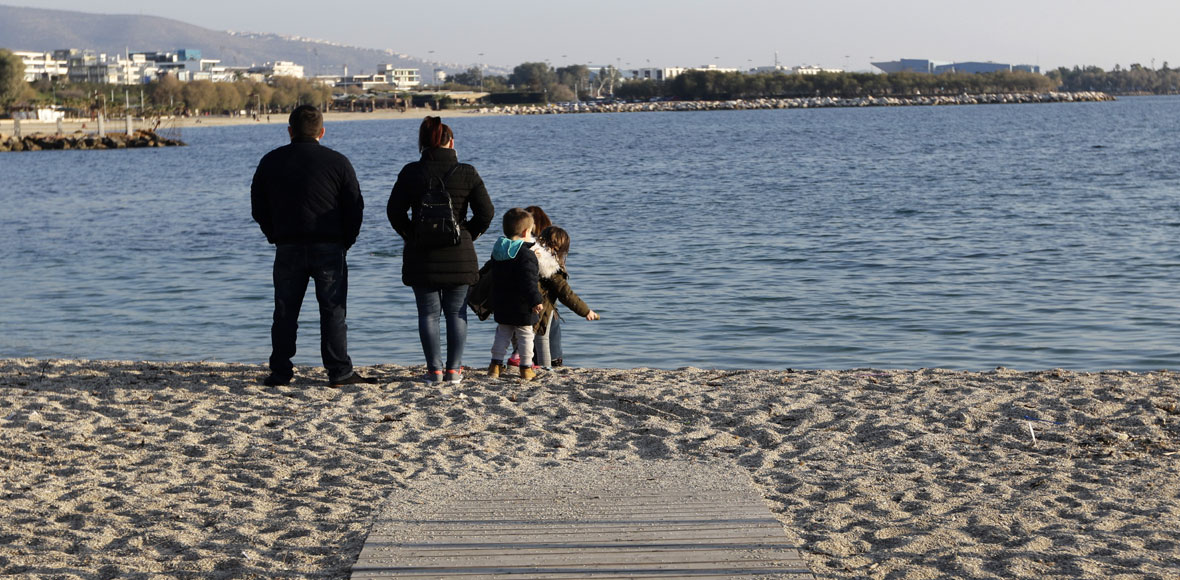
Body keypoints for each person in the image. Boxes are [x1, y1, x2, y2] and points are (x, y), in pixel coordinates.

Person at [250, 105, 372, 388]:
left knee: (284, 311)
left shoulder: (271, 161)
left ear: (290, 131)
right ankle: (339, 371)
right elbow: (355, 207)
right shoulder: (338, 162)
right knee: (333, 310)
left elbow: (258, 206)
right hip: (329, 245)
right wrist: (346, 241)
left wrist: (274, 234)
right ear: (322, 132)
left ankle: (281, 372)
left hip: (288, 245)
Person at [388, 117, 494, 384]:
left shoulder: (411, 172)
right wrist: (468, 234)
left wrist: (411, 235)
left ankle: (434, 371)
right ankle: (454, 371)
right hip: (459, 254)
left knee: (428, 314)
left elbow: (394, 212)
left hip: (421, 254)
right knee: (457, 313)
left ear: (422, 143)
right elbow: (486, 213)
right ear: (452, 142)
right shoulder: (467, 172)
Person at [487, 209, 544, 381]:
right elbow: (529, 281)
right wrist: (536, 300)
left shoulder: (498, 250)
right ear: (526, 232)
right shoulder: (526, 255)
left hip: (501, 301)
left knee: (502, 333)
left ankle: (495, 365)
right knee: (526, 335)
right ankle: (526, 367)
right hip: (521, 305)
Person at [533, 226, 599, 369]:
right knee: (542, 338)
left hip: (521, 303)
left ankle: (512, 364)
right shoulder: (550, 268)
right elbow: (565, 293)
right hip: (542, 307)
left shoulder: (531, 256)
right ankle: (545, 368)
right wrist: (586, 311)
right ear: (560, 249)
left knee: (520, 337)